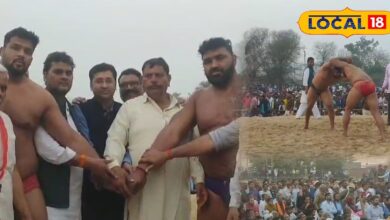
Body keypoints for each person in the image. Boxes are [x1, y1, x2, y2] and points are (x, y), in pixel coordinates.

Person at [0, 27, 110, 220]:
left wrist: (102, 167)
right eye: (15, 48)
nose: (21, 54)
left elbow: (70, 137)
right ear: (2, 50)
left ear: (32, 59)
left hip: (27, 180)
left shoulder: (40, 97)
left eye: (27, 51)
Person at [131, 37, 242, 220]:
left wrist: (167, 154)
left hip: (248, 186)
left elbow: (216, 140)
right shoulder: (200, 98)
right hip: (212, 186)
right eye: (207, 61)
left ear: (234, 59)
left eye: (220, 58)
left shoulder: (250, 93)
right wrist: (141, 169)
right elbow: (173, 131)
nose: (214, 65)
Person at [104, 57, 204, 220]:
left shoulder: (183, 110)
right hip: (142, 187)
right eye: (148, 76)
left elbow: (194, 149)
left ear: (169, 79)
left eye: (158, 75)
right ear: (143, 80)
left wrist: (199, 179)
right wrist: (114, 166)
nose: (153, 80)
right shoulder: (130, 108)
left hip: (177, 187)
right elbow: (115, 139)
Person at [34, 52, 109, 220]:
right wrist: (91, 163)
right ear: (45, 75)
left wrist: (98, 169)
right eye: (58, 72)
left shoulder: (73, 109)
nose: (64, 77)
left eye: (68, 73)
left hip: (75, 200)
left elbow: (81, 141)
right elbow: (48, 149)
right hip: (51, 200)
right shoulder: (37, 102)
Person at [78, 63, 125, 220]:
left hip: (119, 181)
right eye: (99, 81)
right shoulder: (79, 110)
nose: (104, 85)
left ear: (115, 84)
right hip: (88, 182)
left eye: (108, 81)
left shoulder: (125, 111)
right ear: (91, 85)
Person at [305, 58, 385, 139]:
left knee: (342, 108)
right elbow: (332, 61)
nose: (338, 75)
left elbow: (339, 68)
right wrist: (345, 59)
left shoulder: (343, 69)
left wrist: (345, 61)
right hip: (370, 84)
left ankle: (343, 132)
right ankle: (383, 135)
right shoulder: (328, 67)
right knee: (376, 112)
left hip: (355, 84)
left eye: (338, 73)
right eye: (336, 73)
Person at [0, 64, 32, 220]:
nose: (0, 93)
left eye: (3, 88)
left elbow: (10, 169)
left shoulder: (6, 121)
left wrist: (25, 214)